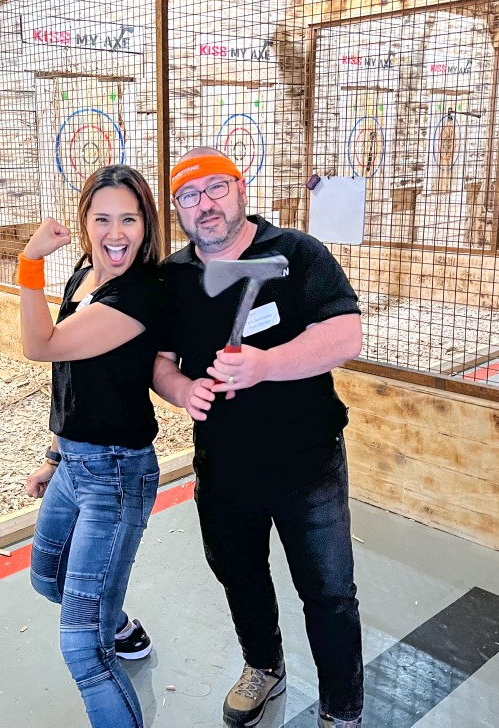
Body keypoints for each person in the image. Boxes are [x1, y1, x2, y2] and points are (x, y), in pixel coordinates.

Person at [153, 148, 364, 728]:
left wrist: (265, 365)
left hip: (308, 463)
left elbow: (346, 335)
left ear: (242, 189)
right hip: (223, 468)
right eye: (189, 196)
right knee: (239, 574)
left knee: (328, 592)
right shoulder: (173, 276)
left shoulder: (295, 254)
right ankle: (263, 666)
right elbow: (160, 361)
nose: (205, 204)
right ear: (178, 210)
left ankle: (341, 708)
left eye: (216, 187)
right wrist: (178, 389)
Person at [19, 164, 165, 728]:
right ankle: (122, 627)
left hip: (116, 474)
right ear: (84, 224)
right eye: (101, 218)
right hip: (76, 462)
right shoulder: (85, 275)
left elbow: (42, 346)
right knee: (45, 577)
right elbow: (74, 380)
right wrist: (55, 456)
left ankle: (107, 633)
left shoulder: (139, 294)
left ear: (145, 224)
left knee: (83, 648)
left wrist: (30, 264)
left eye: (129, 218)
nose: (116, 231)